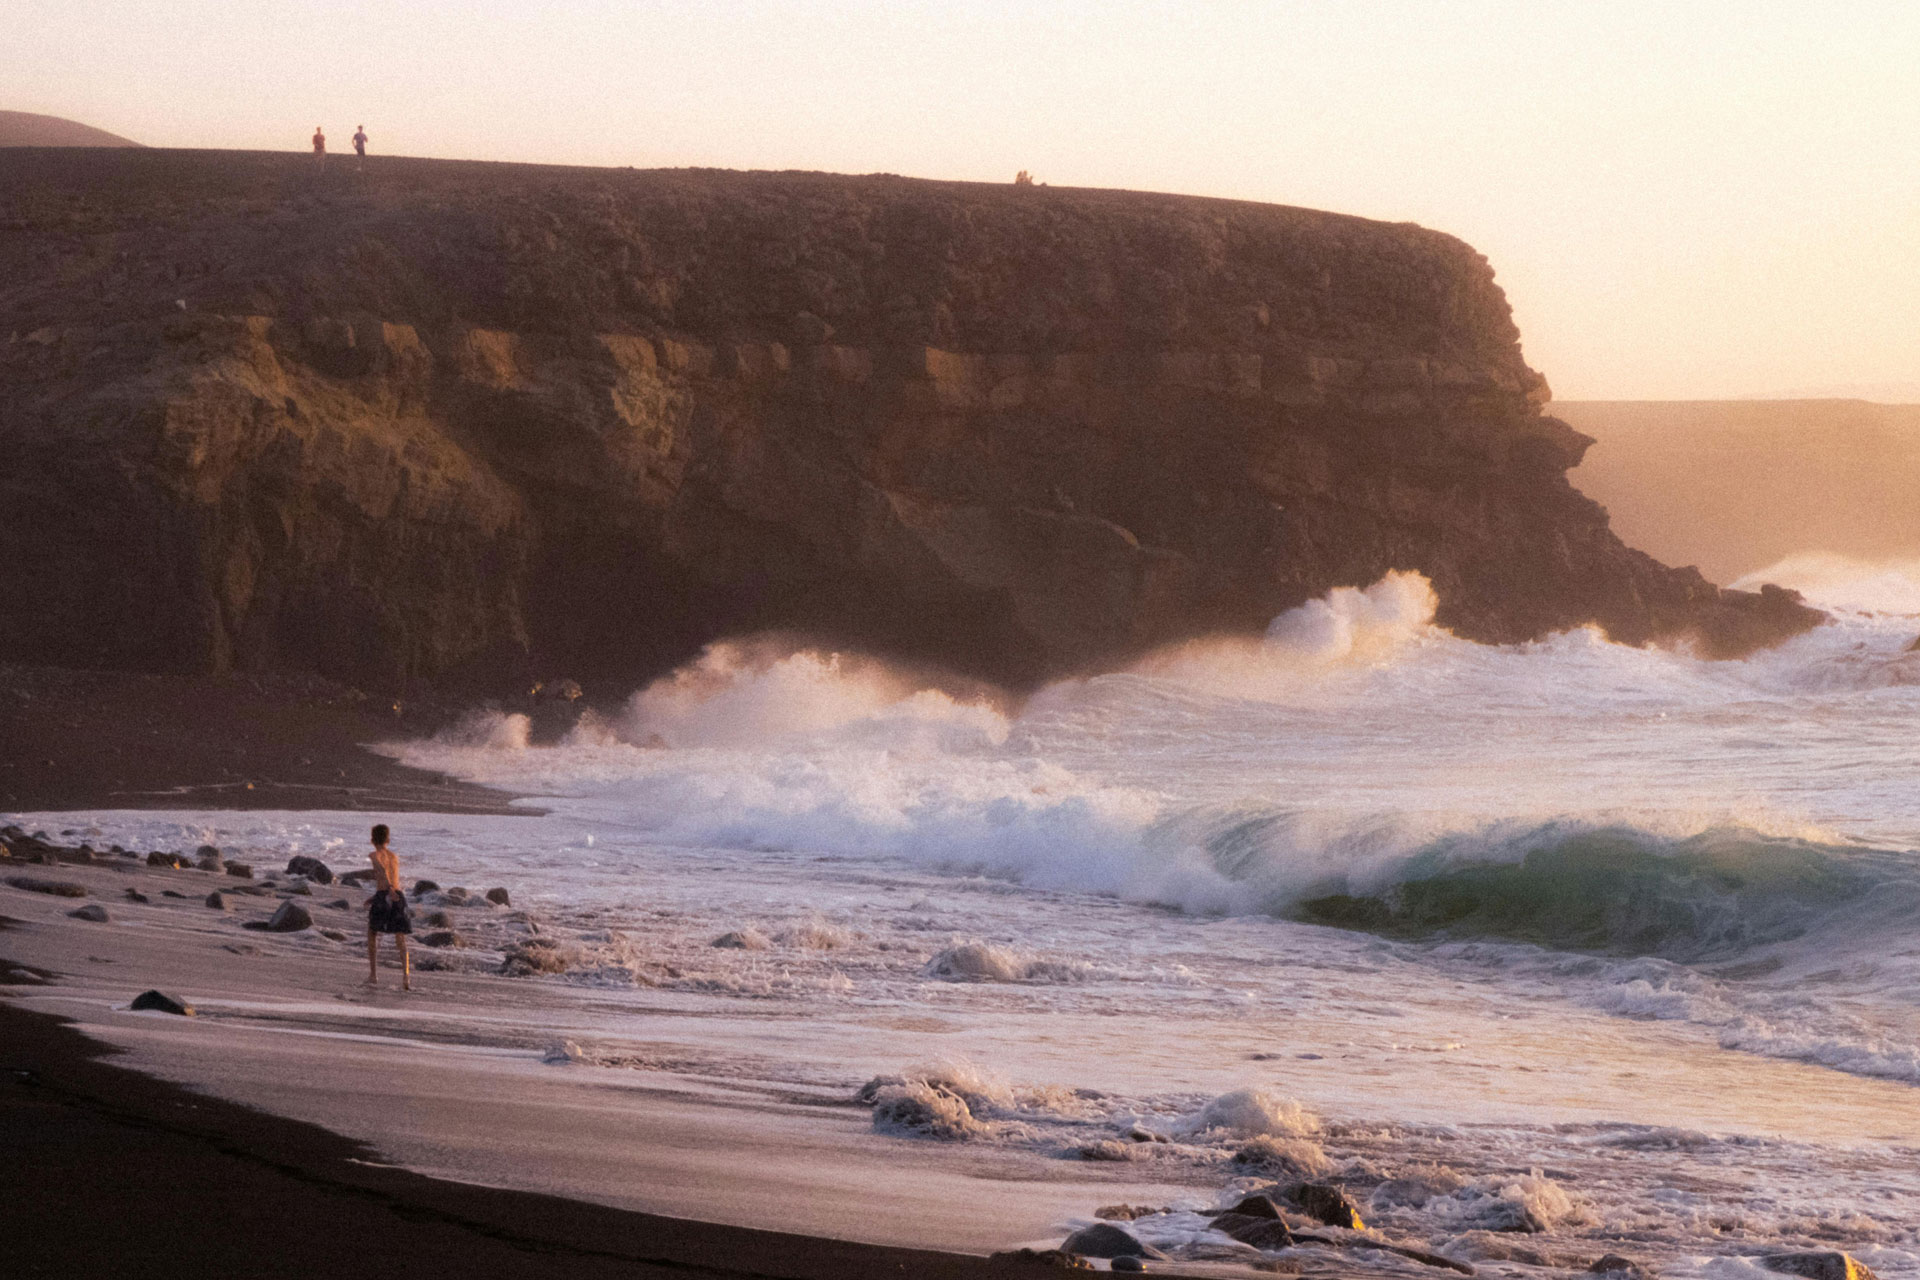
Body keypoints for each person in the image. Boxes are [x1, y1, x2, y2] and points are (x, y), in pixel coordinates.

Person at [364, 823, 411, 990]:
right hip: (398, 896)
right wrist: (376, 895)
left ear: (372, 840)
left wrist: (387, 890)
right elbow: (392, 876)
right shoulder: (394, 856)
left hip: (386, 895)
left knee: (372, 933)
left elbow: (382, 872)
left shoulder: (374, 855)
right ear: (388, 839)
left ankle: (373, 975)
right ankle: (406, 977)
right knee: (400, 938)